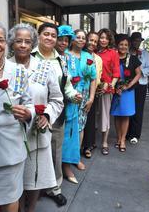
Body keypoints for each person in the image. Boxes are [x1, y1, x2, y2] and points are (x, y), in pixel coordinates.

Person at [0, 20, 35, 212]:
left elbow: (30, 104)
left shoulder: (18, 71)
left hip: (11, 147)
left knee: (11, 196)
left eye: (0, 40)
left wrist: (27, 114)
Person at [8, 23, 64, 212]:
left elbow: (57, 100)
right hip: (10, 134)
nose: (23, 45)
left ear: (33, 43)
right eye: (18, 41)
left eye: (27, 41)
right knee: (15, 180)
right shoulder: (4, 66)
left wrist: (47, 115)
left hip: (36, 134)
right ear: (12, 44)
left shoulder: (45, 67)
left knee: (33, 179)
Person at [32, 23, 82, 206]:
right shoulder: (28, 56)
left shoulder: (62, 61)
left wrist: (73, 95)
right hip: (31, 113)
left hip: (55, 113)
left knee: (55, 152)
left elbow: (66, 85)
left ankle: (54, 188)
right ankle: (32, 188)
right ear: (38, 35)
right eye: (46, 34)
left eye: (53, 35)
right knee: (31, 151)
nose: (50, 38)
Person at [62, 29, 96, 182]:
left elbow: (93, 78)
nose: (82, 40)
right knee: (68, 126)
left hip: (84, 94)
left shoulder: (88, 56)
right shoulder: (65, 54)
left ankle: (75, 157)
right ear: (72, 39)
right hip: (67, 94)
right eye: (78, 37)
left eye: (84, 38)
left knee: (80, 126)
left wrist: (92, 98)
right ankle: (64, 159)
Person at [110, 34, 141, 152]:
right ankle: (118, 138)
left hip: (127, 92)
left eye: (126, 45)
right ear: (117, 45)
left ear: (128, 46)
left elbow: (138, 74)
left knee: (125, 115)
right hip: (115, 90)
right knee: (117, 115)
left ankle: (123, 139)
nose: (123, 47)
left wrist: (129, 85)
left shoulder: (132, 58)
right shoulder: (114, 57)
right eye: (121, 44)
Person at [96, 28, 120, 155]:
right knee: (92, 115)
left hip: (106, 89)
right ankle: (90, 141)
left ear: (109, 39)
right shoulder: (93, 51)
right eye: (101, 37)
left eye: (106, 38)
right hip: (92, 87)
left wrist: (110, 85)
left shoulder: (113, 53)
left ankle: (104, 142)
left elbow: (116, 74)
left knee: (104, 115)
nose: (103, 40)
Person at [127, 32, 149, 144]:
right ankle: (127, 132)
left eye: (139, 41)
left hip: (141, 84)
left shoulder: (145, 53)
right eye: (135, 40)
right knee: (128, 108)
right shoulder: (127, 52)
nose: (137, 43)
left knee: (138, 109)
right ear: (131, 41)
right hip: (129, 84)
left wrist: (140, 72)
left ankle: (135, 134)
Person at [82, 31, 102, 158]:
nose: (92, 43)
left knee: (90, 120)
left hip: (92, 91)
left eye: (95, 41)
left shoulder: (98, 58)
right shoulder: (80, 54)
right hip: (79, 90)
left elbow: (98, 76)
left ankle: (87, 146)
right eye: (90, 40)